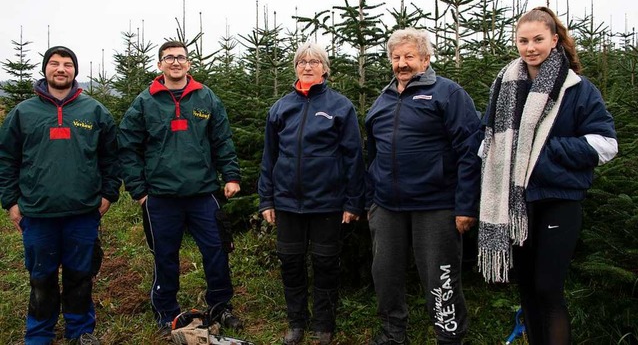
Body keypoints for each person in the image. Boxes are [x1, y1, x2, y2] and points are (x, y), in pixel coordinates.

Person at [477, 7, 617, 344]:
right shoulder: (506, 85)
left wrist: (547, 148)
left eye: (538, 39)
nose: (530, 47)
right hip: (518, 205)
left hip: (558, 200)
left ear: (554, 40)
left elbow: (606, 145)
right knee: (527, 287)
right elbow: (489, 142)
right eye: (523, 40)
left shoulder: (577, 89)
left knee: (548, 287)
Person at [118, 40, 243, 335]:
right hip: (160, 198)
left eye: (181, 58)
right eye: (169, 58)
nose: (175, 62)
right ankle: (166, 312)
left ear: (188, 63)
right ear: (160, 64)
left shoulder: (205, 97)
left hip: (203, 194)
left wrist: (231, 176)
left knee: (216, 251)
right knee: (165, 255)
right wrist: (139, 190)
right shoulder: (146, 101)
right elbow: (127, 145)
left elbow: (222, 139)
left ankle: (220, 305)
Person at [365, 28, 481, 345]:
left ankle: (450, 336)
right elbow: (371, 154)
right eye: (396, 57)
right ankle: (392, 333)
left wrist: (466, 206)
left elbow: (470, 152)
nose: (402, 63)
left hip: (437, 205)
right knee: (385, 275)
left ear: (426, 59)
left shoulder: (448, 94)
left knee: (440, 278)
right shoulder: (384, 99)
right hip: (387, 207)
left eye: (409, 56)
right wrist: (371, 202)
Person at [0, 46, 120, 345]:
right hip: (38, 213)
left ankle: (80, 331)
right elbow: (6, 160)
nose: (61, 69)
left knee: (80, 274)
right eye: (54, 64)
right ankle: (40, 333)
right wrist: (11, 202)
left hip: (82, 213)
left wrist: (108, 194)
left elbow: (110, 157)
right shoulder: (23, 113)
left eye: (67, 64)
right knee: (42, 276)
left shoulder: (94, 111)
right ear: (45, 70)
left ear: (75, 71)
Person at [258, 42, 365, 345]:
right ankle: (296, 322)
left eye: (314, 61)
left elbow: (353, 157)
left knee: (325, 264)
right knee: (291, 263)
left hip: (327, 203)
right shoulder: (281, 108)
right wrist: (266, 199)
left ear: (325, 68)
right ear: (295, 67)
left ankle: (323, 324)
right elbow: (270, 157)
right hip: (288, 203)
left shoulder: (339, 106)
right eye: (302, 61)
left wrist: (353, 201)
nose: (307, 66)